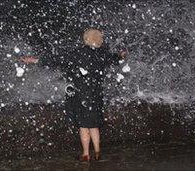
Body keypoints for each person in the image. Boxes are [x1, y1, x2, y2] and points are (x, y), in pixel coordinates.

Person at [20, 28, 127, 162]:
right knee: (94, 126)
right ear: (99, 41)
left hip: (80, 95)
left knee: (83, 126)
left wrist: (34, 60)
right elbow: (114, 58)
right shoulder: (102, 54)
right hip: (96, 95)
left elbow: (55, 59)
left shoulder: (77, 54)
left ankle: (86, 153)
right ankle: (98, 152)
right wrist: (121, 55)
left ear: (86, 39)